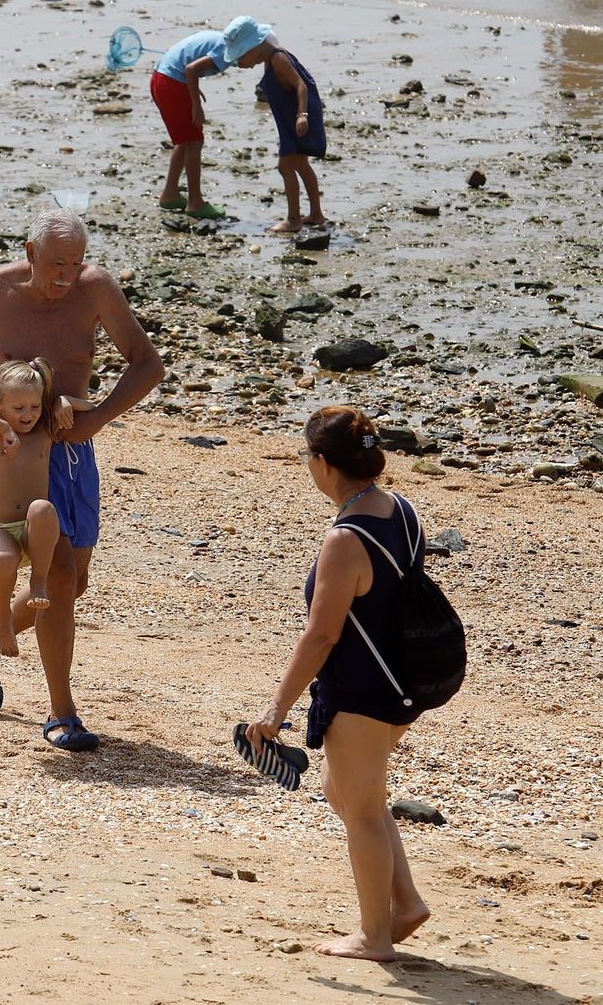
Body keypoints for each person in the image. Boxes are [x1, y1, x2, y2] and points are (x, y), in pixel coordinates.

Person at [0, 208, 164, 752]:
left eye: (77, 262)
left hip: (74, 451)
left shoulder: (96, 290)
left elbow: (146, 364)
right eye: (57, 262)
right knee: (58, 572)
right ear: (30, 252)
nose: (67, 274)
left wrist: (98, 417)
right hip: (17, 452)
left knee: (73, 582)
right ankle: (62, 714)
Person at [244, 406, 432, 961]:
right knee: (348, 793)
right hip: (403, 680)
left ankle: (376, 936)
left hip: (363, 691)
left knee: (364, 809)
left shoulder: (344, 540)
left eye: (307, 456)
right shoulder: (402, 509)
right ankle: (406, 903)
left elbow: (321, 636)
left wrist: (275, 711)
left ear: (323, 464)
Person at [0, 358, 92, 664]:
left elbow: (90, 406)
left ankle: (38, 580)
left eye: (34, 407)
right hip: (1, 529)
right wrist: (3, 428)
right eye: (18, 409)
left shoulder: (46, 431)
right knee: (3, 560)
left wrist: (64, 401)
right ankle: (3, 623)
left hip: (34, 535)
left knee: (42, 508)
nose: (28, 415)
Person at [223, 15, 326, 234]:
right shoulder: (269, 59)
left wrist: (302, 115)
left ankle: (294, 220)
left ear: (255, 46)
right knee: (300, 165)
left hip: (298, 118)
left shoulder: (278, 59)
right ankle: (316, 214)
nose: (239, 63)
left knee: (285, 166)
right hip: (290, 119)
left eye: (240, 56)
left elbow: (301, 86)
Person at [150, 27, 234, 220]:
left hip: (161, 77)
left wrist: (190, 89)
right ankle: (195, 202)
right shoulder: (225, 51)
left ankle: (170, 194)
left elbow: (184, 57)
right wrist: (196, 105)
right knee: (194, 141)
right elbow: (190, 69)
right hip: (172, 83)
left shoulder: (217, 37)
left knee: (184, 140)